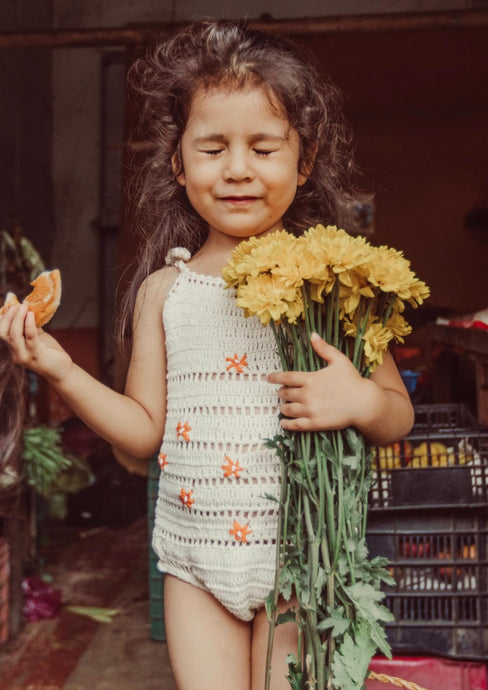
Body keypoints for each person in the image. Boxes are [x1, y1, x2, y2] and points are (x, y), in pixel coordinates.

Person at [0, 20, 414, 690]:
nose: (238, 169)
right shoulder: (166, 291)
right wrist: (60, 368)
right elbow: (144, 436)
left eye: (264, 147)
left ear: (303, 161)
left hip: (300, 559)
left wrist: (360, 400)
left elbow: (399, 415)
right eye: (213, 147)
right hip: (195, 561)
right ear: (179, 162)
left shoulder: (337, 281)